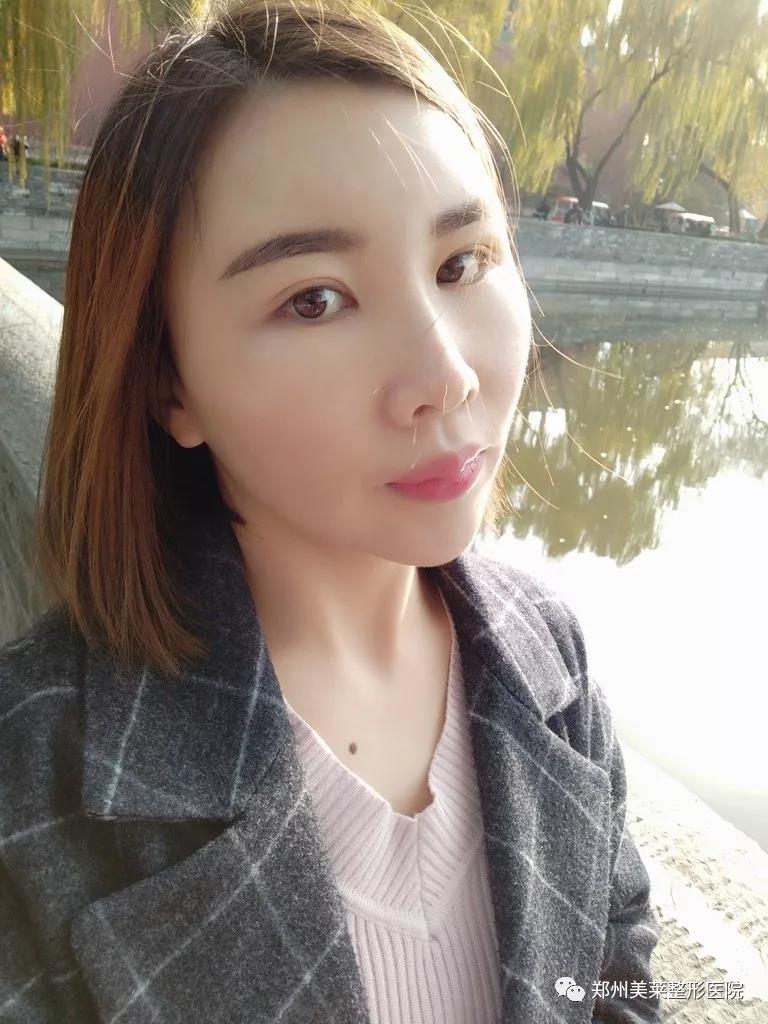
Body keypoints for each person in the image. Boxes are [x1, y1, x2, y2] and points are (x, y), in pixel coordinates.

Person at [0, 1, 662, 1022]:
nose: (444, 377)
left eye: (462, 263)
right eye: (315, 299)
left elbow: (617, 987)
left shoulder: (550, 659)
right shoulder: (32, 774)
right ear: (168, 381)